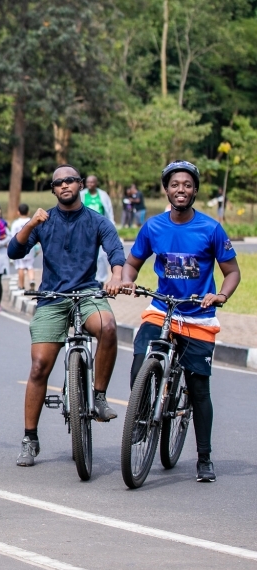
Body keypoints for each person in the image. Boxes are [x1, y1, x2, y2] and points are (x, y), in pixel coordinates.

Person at [120, 160, 241, 482]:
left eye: (187, 185)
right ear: (166, 190)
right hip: (163, 308)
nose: (181, 190)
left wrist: (221, 296)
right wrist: (129, 279)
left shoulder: (211, 229)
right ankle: (141, 418)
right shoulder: (153, 227)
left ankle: (204, 457)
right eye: (175, 185)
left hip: (198, 316)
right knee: (140, 356)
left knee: (199, 388)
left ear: (195, 190)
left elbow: (232, 272)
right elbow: (132, 264)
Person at [9, 164, 125, 467]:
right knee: (38, 367)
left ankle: (98, 397)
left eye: (70, 180)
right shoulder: (44, 221)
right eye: (58, 182)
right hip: (52, 299)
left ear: (81, 185)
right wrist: (30, 224)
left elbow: (116, 253)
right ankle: (29, 439)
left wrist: (116, 276)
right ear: (53, 189)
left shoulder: (98, 221)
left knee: (109, 327)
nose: (64, 185)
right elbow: (14, 252)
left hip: (87, 294)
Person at [80, 175, 115, 284]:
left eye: (92, 182)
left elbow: (109, 211)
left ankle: (100, 280)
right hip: (85, 230)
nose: (90, 184)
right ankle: (85, 279)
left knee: (101, 256)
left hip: (100, 229)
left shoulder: (103, 195)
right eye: (88, 182)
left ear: (96, 183)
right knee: (84, 254)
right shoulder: (82, 195)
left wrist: (111, 227)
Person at [9, 203, 37, 291]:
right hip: (30, 247)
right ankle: (32, 280)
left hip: (19, 247)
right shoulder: (32, 221)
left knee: (20, 266)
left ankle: (21, 286)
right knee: (30, 265)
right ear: (28, 212)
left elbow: (12, 236)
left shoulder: (16, 224)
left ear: (18, 212)